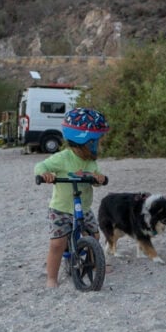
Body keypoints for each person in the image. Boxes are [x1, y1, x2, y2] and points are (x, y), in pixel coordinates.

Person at [34, 107, 109, 288]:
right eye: (95, 142)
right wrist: (45, 175)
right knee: (57, 243)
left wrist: (98, 179)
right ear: (82, 141)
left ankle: (93, 263)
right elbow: (40, 166)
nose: (97, 146)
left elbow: (97, 179)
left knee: (95, 236)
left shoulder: (90, 162)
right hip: (61, 209)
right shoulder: (62, 158)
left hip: (83, 207)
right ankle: (51, 278)